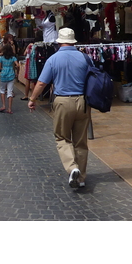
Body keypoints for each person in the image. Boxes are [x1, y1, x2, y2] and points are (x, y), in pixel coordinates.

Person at [28, 27, 92, 189]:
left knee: (62, 138)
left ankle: (72, 168)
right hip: (83, 102)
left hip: (63, 101)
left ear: (59, 42)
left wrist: (32, 99)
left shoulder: (53, 59)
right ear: (73, 41)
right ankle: (82, 178)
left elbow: (42, 83)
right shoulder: (85, 57)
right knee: (80, 142)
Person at [0, 43, 19, 114]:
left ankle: (3, 105)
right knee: (10, 92)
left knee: (2, 90)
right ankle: (9, 108)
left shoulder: (1, 58)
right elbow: (18, 65)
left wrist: (3, 69)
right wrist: (16, 71)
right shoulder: (13, 58)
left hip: (3, 75)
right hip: (11, 75)